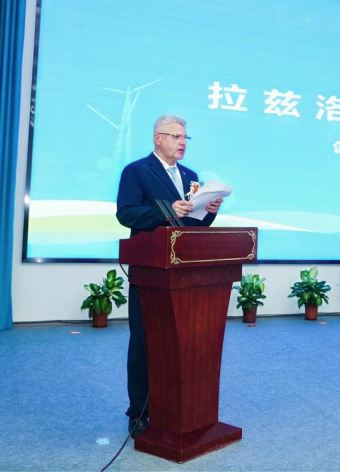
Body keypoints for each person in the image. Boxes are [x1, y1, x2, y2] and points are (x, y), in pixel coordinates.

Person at [116, 114, 223, 437]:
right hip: (151, 270)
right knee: (145, 341)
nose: (181, 142)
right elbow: (126, 213)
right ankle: (139, 411)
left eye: (185, 137)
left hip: (184, 271)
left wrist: (209, 212)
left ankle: (176, 407)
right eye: (175, 136)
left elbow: (192, 225)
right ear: (157, 138)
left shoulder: (191, 176)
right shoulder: (136, 170)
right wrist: (167, 210)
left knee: (183, 342)